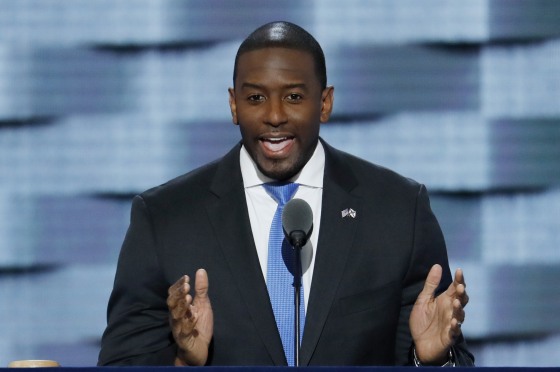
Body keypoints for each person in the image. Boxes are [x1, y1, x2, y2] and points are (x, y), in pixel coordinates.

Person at [98, 21, 474, 367]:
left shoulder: (396, 211)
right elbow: (121, 363)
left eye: (294, 97)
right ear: (233, 105)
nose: (274, 116)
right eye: (256, 99)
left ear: (324, 103)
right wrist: (185, 363)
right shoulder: (165, 218)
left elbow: (443, 352)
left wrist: (433, 359)